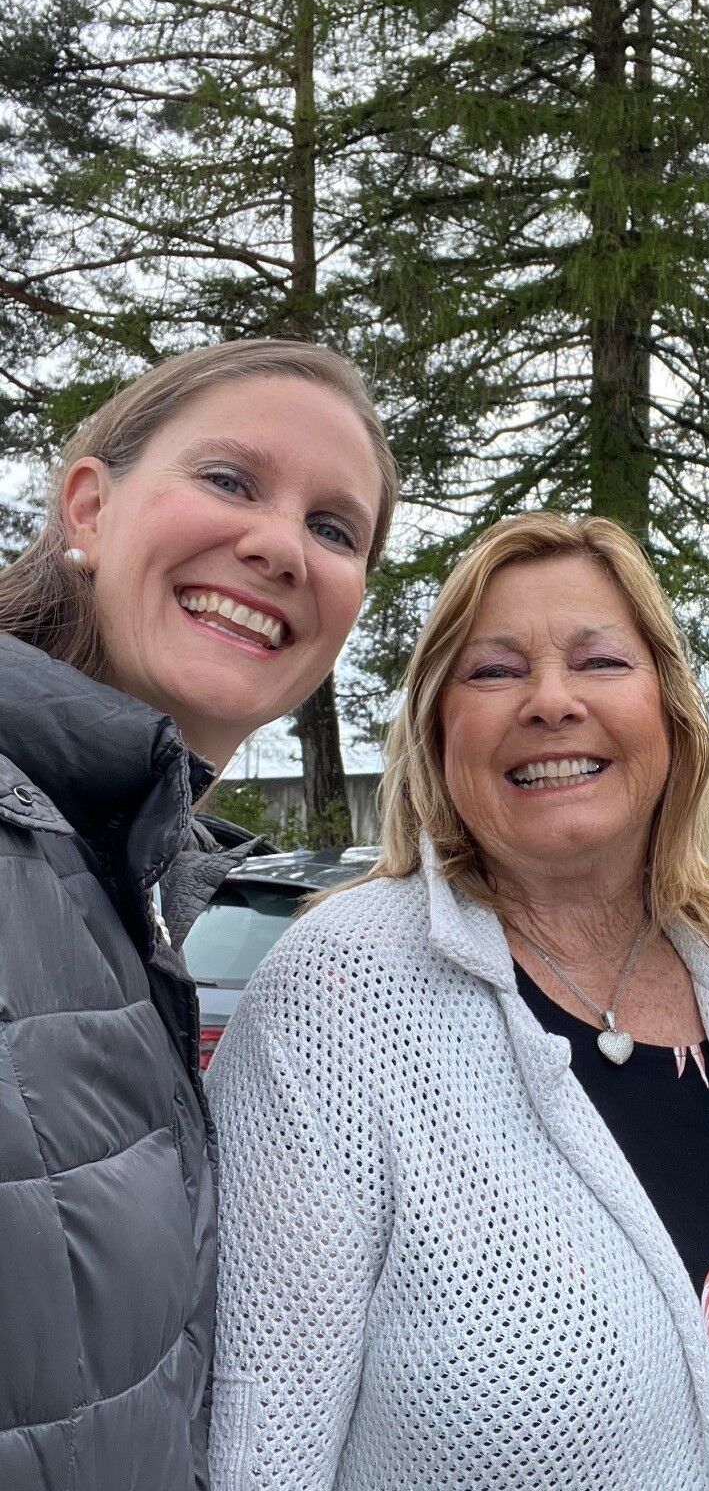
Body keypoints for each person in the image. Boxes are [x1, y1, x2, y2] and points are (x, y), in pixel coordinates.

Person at [206, 512, 709, 1491]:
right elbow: (257, 1446)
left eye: (600, 661)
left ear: (670, 711)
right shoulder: (341, 990)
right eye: (494, 670)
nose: (552, 701)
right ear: (438, 727)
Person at [0, 338, 397, 1491]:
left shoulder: (120, 885)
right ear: (88, 506)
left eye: (334, 528)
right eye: (229, 479)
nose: (280, 544)